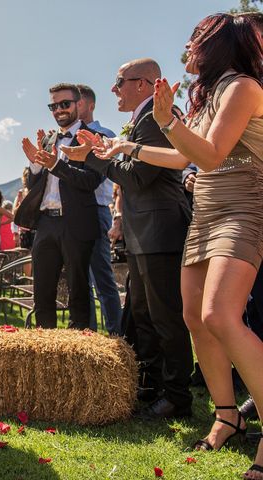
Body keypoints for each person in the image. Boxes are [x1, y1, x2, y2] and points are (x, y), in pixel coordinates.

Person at [80, 15, 263, 477]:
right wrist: (126, 148)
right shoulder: (210, 95)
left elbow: (212, 154)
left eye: (195, 41)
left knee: (219, 316)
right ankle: (227, 415)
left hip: (243, 207)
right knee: (193, 320)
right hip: (205, 213)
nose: (187, 49)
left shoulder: (242, 87)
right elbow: (182, 157)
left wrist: (166, 122)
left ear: (219, 45)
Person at [71, 59, 194, 421]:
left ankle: (177, 397)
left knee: (166, 317)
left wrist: (95, 157)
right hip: (144, 231)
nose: (114, 89)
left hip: (161, 230)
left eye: (119, 81)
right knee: (141, 314)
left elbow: (139, 177)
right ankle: (150, 385)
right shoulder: (141, 120)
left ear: (143, 84)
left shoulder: (158, 117)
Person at [16, 83, 103, 330]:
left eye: (64, 104)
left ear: (79, 105)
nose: (59, 110)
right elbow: (35, 182)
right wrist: (35, 165)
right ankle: (46, 348)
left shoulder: (93, 138)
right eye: (54, 106)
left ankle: (78, 351)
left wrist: (56, 165)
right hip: (45, 223)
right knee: (42, 290)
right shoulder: (50, 139)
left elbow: (91, 180)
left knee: (78, 290)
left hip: (75, 222)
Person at [76, 85, 123, 335]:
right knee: (80, 280)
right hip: (71, 214)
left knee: (102, 277)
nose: (72, 108)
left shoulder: (104, 134)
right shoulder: (62, 137)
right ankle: (88, 334)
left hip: (95, 209)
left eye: (78, 103)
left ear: (90, 105)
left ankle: (117, 334)